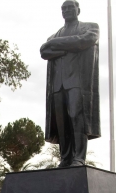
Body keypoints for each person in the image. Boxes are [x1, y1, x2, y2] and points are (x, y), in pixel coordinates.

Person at [40, 0, 100, 167]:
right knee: (61, 122)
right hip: (57, 84)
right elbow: (44, 51)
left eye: (70, 7)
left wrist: (56, 47)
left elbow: (86, 40)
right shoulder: (52, 36)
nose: (66, 10)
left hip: (77, 81)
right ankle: (65, 158)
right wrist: (69, 47)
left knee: (76, 117)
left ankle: (79, 158)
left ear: (78, 10)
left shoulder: (90, 27)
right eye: (63, 8)